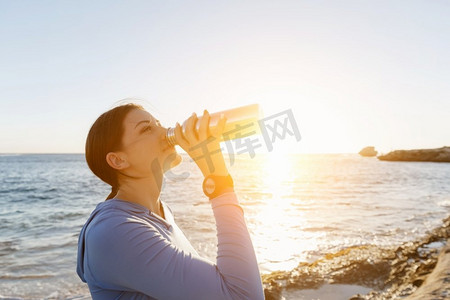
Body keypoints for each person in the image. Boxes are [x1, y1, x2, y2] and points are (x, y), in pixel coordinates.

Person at [76, 103, 264, 299]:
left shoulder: (160, 212)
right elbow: (243, 296)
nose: (165, 131)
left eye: (158, 124)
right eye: (147, 128)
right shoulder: (114, 231)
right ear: (118, 161)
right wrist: (217, 178)